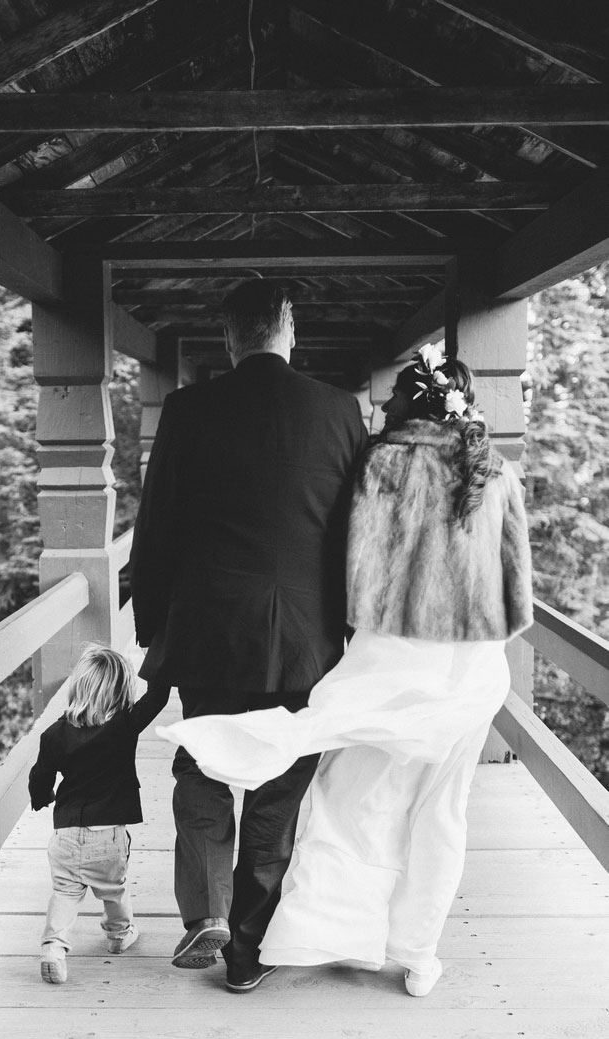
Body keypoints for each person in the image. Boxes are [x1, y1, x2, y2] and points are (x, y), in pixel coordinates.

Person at [159, 347, 533, 998]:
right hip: (472, 670)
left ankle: (322, 932)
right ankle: (417, 956)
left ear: (412, 403)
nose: (381, 406)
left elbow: (350, 571)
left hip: (391, 657)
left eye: (391, 398)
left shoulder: (382, 464)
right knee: (443, 813)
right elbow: (518, 600)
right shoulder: (496, 473)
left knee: (349, 806)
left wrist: (352, 636)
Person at [129, 279, 368, 992]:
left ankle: (208, 911)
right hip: (306, 636)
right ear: (288, 332)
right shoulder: (337, 411)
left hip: (208, 630)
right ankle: (249, 951)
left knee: (202, 762)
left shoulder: (186, 410)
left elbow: (157, 526)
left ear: (229, 339)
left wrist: (152, 629)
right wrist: (355, 629)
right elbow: (360, 532)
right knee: (281, 785)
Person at [28, 644, 169, 984]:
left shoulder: (55, 734)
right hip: (107, 834)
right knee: (114, 890)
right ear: (122, 692)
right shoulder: (124, 725)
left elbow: (39, 777)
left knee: (65, 893)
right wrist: (165, 652)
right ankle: (120, 935)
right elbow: (159, 696)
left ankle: (54, 947)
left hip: (65, 834)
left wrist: (41, 797)